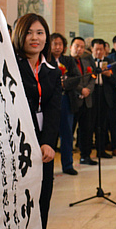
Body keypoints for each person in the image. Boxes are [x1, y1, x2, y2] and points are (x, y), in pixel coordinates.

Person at [13, 13, 61, 229]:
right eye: (30, 32)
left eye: (40, 33)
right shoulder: (11, 67)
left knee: (43, 200)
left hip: (44, 146)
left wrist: (49, 142)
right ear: (20, 35)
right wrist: (33, 142)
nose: (35, 38)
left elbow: (53, 110)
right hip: (18, 144)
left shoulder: (52, 71)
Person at [51, 32, 78, 175]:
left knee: (67, 133)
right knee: (50, 135)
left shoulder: (68, 61)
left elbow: (76, 78)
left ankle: (68, 165)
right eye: (54, 43)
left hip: (66, 99)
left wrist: (64, 84)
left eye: (60, 44)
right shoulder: (45, 60)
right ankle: (48, 169)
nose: (57, 47)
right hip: (50, 102)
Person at [66, 36, 96, 166]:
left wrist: (88, 89)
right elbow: (67, 79)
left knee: (87, 130)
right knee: (69, 131)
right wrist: (81, 90)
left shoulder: (86, 61)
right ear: (71, 47)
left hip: (86, 100)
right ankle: (68, 161)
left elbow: (92, 77)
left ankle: (85, 156)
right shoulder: (66, 62)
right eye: (77, 46)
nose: (79, 49)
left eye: (82, 47)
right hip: (72, 101)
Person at [90, 38, 116, 158]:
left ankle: (101, 150)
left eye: (101, 49)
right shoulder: (87, 61)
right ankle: (86, 152)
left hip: (104, 95)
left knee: (103, 124)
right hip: (91, 94)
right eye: (96, 49)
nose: (99, 52)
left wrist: (109, 75)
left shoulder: (110, 61)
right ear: (92, 49)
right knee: (90, 124)